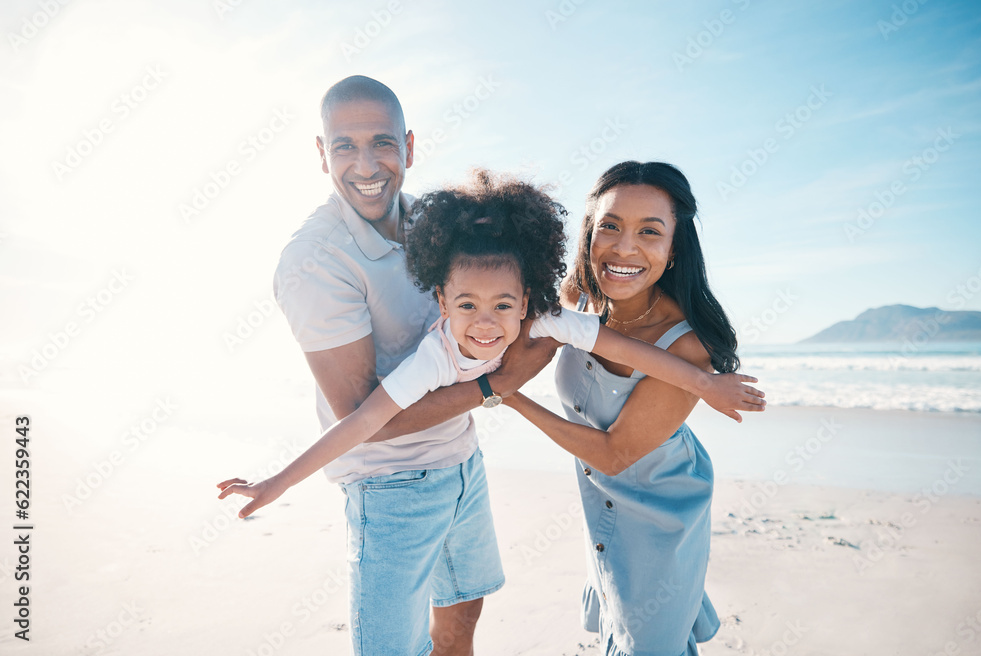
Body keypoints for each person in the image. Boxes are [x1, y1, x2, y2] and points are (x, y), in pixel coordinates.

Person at [216, 76, 557, 656]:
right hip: (389, 485)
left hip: (462, 461)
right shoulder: (314, 261)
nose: (366, 163)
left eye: (383, 142)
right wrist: (497, 388)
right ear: (322, 155)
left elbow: (517, 294)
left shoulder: (436, 221)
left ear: (410, 147)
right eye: (344, 145)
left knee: (458, 627)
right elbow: (361, 413)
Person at [218, 169, 763, 519]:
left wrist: (705, 383)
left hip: (647, 482)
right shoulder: (435, 357)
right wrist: (277, 482)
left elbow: (626, 349)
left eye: (504, 304)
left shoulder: (545, 318)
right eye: (467, 305)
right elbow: (361, 423)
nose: (485, 324)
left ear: (526, 301)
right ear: (440, 301)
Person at [503, 161, 755, 655]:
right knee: (628, 626)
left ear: (674, 249)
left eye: (649, 232)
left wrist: (509, 399)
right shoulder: (583, 293)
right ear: (590, 234)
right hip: (602, 501)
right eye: (610, 227)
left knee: (649, 642)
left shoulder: (688, 347)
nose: (624, 247)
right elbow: (524, 341)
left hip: (661, 505)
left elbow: (615, 454)